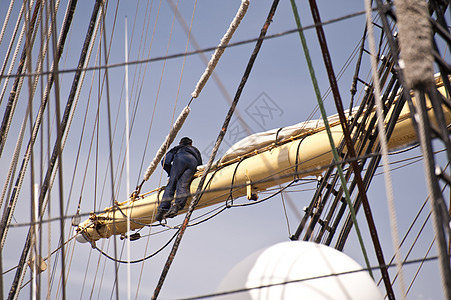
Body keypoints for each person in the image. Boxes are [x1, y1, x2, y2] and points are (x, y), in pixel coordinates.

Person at [155, 137, 202, 221]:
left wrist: (171, 172)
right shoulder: (195, 150)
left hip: (180, 159)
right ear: (190, 144)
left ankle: (162, 209)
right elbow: (200, 165)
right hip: (193, 163)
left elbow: (165, 162)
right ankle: (176, 207)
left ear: (180, 143)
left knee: (172, 184)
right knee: (183, 185)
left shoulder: (177, 148)